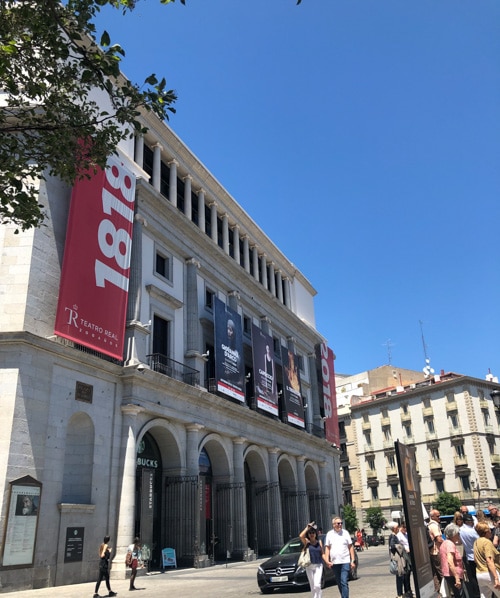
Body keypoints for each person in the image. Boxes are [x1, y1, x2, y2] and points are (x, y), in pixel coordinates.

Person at [324, 516, 356, 598]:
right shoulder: (329, 534)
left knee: (344, 581)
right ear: (333, 525)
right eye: (338, 523)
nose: (340, 525)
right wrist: (327, 561)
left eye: (341, 523)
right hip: (335, 563)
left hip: (345, 561)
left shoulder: (345, 533)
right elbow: (327, 548)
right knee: (339, 582)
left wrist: (352, 560)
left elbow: (350, 547)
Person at [474, 521, 500, 597]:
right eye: (489, 530)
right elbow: (489, 560)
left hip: (479, 574)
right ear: (486, 532)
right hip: (490, 574)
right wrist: (496, 578)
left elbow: (475, 559)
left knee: (485, 596)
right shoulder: (487, 542)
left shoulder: (476, 542)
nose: (491, 531)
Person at [299, 521, 324, 598]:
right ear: (308, 535)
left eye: (313, 532)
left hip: (318, 565)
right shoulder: (307, 542)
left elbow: (322, 553)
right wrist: (307, 527)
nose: (312, 534)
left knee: (317, 585)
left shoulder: (319, 542)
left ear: (316, 534)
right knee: (312, 586)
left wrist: (327, 561)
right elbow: (301, 536)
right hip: (309, 566)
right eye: (310, 533)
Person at [440, 523, 465, 598]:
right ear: (453, 534)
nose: (459, 535)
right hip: (453, 575)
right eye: (458, 533)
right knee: (459, 595)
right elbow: (450, 562)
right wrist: (457, 578)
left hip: (450, 574)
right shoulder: (450, 544)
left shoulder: (445, 543)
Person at [388, 521, 412, 598]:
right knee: (400, 575)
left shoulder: (394, 536)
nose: (398, 528)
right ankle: (400, 594)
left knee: (402, 574)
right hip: (397, 558)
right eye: (396, 527)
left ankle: (403, 592)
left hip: (400, 557)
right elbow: (392, 546)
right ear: (393, 528)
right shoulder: (393, 536)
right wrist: (401, 547)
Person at [459, 513, 480, 598]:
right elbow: (480, 540)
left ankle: (475, 592)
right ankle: (478, 591)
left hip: (468, 555)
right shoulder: (472, 531)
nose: (471, 522)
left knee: (473, 576)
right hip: (476, 555)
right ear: (466, 521)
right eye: (470, 521)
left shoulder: (460, 530)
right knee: (478, 575)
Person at [428, 509, 444, 596]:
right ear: (432, 517)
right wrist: (447, 543)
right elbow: (438, 539)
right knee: (442, 572)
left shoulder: (430, 525)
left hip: (433, 552)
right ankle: (445, 591)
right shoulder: (434, 526)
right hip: (436, 551)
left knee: (435, 573)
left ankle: (438, 592)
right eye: (437, 516)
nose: (439, 517)